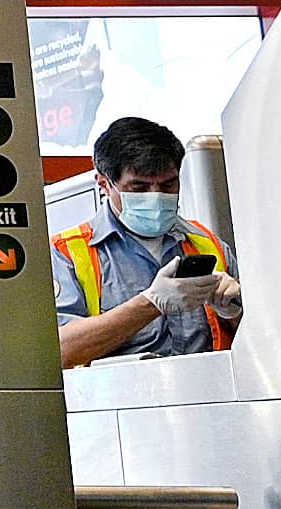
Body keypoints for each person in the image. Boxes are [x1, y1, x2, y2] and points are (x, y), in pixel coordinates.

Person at [52, 114, 241, 366]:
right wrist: (149, 303)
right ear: (104, 184)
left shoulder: (207, 242)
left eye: (168, 185)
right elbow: (60, 351)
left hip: (211, 394)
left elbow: (264, 339)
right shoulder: (67, 254)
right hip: (122, 401)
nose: (156, 196)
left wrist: (235, 311)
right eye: (139, 188)